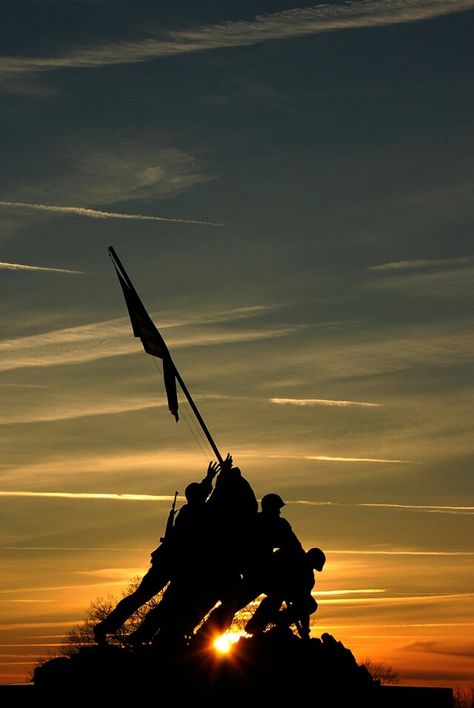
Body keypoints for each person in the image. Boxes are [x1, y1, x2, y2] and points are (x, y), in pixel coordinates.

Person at [92, 461, 218, 644]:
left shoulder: (193, 509)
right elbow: (209, 499)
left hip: (173, 565)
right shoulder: (194, 513)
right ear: (198, 497)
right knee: (142, 597)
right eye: (203, 495)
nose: (206, 496)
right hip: (170, 564)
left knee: (155, 600)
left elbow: (205, 494)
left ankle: (138, 633)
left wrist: (209, 477)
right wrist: (216, 478)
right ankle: (106, 628)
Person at [193, 492, 303, 643]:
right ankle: (204, 636)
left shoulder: (273, 523)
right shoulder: (261, 523)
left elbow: (293, 546)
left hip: (261, 572)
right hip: (254, 572)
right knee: (233, 605)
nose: (279, 511)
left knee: (273, 596)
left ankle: (253, 627)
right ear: (270, 508)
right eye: (277, 508)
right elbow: (238, 546)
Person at [245, 546, 326, 639]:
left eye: (313, 566)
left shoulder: (309, 579)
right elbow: (273, 560)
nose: (311, 567)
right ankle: (257, 625)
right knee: (275, 599)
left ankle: (281, 620)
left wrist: (305, 630)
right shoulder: (292, 554)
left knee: (310, 605)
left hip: (286, 592)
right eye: (312, 564)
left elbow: (305, 604)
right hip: (270, 580)